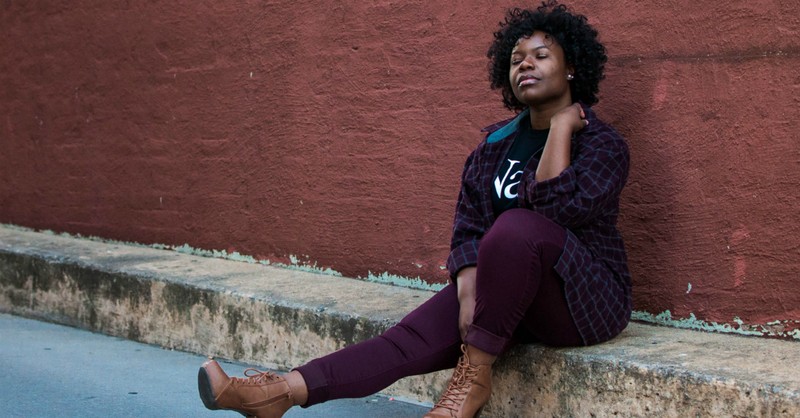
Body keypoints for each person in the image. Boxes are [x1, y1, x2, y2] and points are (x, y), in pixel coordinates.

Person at [197, 2, 631, 417]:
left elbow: (554, 211)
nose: (525, 66)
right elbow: (469, 230)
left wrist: (561, 127)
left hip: (582, 302)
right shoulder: (493, 148)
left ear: (572, 66)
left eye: (540, 55)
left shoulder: (601, 145)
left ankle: (471, 382)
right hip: (508, 297)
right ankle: (278, 393)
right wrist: (468, 290)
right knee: (407, 340)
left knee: (517, 225)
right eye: (516, 59)